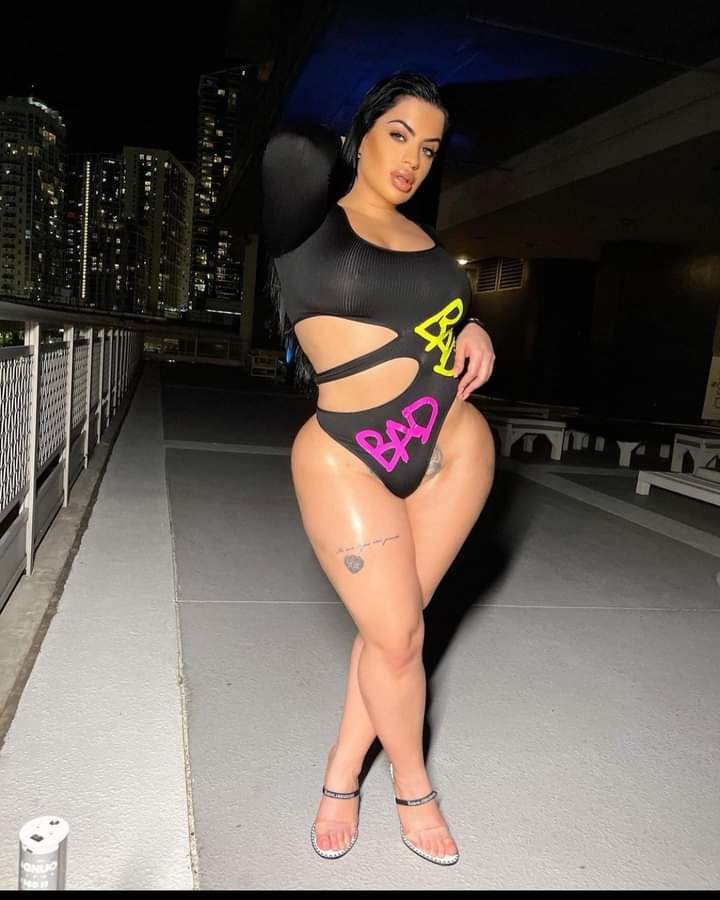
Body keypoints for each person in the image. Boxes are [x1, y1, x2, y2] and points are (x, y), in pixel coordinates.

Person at [261, 71, 496, 866]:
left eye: (429, 148)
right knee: (396, 636)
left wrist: (474, 326)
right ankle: (411, 783)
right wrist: (342, 129)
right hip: (347, 456)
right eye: (398, 135)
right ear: (360, 136)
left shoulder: (426, 238)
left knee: (393, 633)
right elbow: (288, 151)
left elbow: (439, 312)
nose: (414, 160)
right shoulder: (306, 226)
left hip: (455, 447)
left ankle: (340, 772)